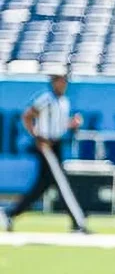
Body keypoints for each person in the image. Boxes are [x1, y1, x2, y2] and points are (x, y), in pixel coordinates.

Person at [1, 72, 88, 233]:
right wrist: (37, 136)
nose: (64, 84)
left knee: (43, 185)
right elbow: (27, 116)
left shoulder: (64, 101)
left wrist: (71, 124)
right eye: (61, 81)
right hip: (46, 145)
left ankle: (10, 213)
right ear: (54, 82)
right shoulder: (46, 99)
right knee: (62, 182)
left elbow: (59, 125)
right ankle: (78, 222)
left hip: (56, 144)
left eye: (65, 81)